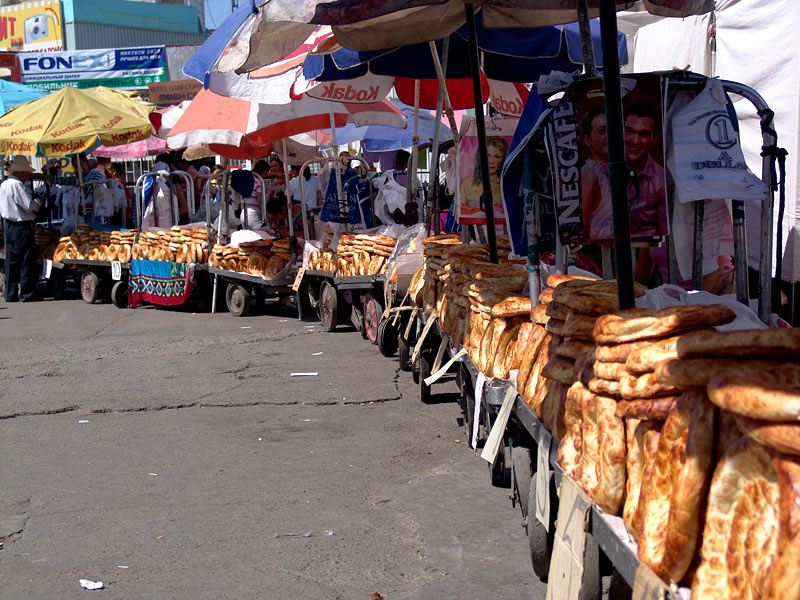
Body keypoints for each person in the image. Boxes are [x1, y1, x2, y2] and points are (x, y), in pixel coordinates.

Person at [0, 156, 45, 302]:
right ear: (22, 172)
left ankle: (10, 293)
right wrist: (39, 202)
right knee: (26, 260)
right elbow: (28, 205)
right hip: (21, 226)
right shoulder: (16, 185)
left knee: (12, 260)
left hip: (9, 224)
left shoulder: (5, 184)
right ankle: (27, 292)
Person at [624, 102, 667, 238]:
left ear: (654, 139)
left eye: (643, 134)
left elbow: (664, 235)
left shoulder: (660, 179)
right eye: (630, 131)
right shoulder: (601, 171)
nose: (635, 141)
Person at [580, 109, 614, 241]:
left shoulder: (609, 172)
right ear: (587, 140)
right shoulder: (589, 174)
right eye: (602, 131)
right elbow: (582, 226)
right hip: (600, 255)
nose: (609, 135)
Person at [459, 136, 508, 214]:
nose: (492, 161)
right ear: (480, 157)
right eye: (487, 156)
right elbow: (461, 212)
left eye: (497, 156)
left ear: (502, 159)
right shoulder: (467, 183)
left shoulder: (506, 185)